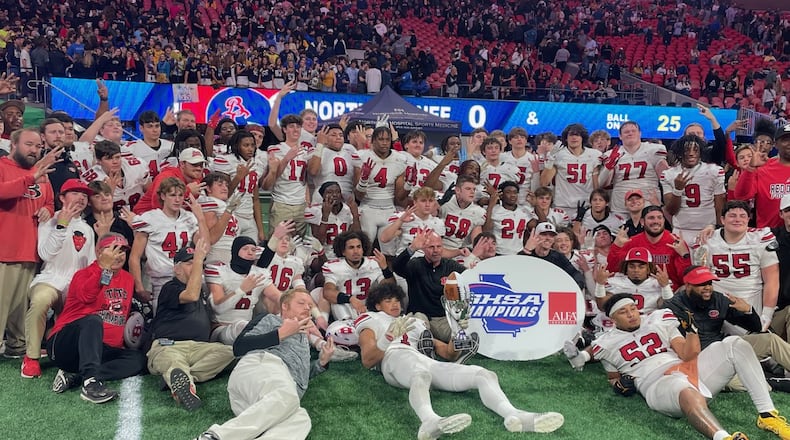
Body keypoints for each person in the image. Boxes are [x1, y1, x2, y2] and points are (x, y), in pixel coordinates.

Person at [564, 293, 790, 440]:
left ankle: (767, 415)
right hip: (656, 383)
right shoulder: (606, 342)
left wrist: (692, 332)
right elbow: (606, 374)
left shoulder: (658, 321)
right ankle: (724, 437)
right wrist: (618, 383)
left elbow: (687, 354)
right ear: (613, 319)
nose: (632, 314)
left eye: (633, 308)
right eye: (624, 312)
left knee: (734, 344)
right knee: (682, 387)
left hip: (686, 368)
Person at [356, 283, 564, 439]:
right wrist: (388, 338)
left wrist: (458, 329)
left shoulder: (415, 323)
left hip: (420, 359)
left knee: (483, 374)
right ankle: (429, 421)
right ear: (376, 305)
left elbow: (448, 353)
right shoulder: (372, 320)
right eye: (388, 301)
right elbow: (367, 360)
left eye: (396, 300)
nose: (395, 304)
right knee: (420, 372)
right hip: (393, 359)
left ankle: (515, 415)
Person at [192, 288, 335, 440]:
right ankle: (216, 437)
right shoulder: (271, 320)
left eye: (310, 305)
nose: (307, 307)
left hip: (269, 403)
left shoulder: (303, 339)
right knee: (287, 395)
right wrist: (281, 333)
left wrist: (321, 362)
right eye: (301, 303)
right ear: (285, 306)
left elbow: (299, 373)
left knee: (301, 419)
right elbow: (239, 347)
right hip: (260, 368)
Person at [46, 233, 147, 403]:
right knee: (93, 320)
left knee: (139, 360)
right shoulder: (82, 275)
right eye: (113, 249)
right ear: (100, 252)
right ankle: (91, 385)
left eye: (122, 250)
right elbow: (88, 296)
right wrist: (104, 269)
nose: (119, 254)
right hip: (65, 345)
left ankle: (78, 375)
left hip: (100, 351)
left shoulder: (127, 279)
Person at [665, 265, 790, 392]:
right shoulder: (674, 306)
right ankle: (774, 382)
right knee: (730, 382)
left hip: (725, 347)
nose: (707, 288)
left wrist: (748, 311)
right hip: (702, 361)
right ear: (688, 286)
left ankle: (759, 367)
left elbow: (757, 328)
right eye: (701, 284)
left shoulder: (719, 299)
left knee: (769, 340)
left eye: (709, 283)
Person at [146, 239, 235, 410]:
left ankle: (181, 378)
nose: (196, 267)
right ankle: (184, 387)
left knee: (230, 351)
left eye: (197, 264)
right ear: (176, 268)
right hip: (169, 346)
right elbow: (191, 295)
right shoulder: (170, 287)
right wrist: (199, 261)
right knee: (173, 361)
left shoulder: (200, 291)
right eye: (189, 263)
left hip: (199, 348)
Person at [22, 179, 95, 379]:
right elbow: (45, 254)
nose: (81, 198)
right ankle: (32, 357)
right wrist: (61, 225)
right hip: (51, 278)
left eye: (84, 195)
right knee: (41, 300)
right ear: (61, 197)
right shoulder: (48, 220)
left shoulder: (88, 229)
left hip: (75, 284)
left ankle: (64, 353)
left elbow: (90, 264)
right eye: (75, 193)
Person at [0, 128, 58, 359]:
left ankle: (17, 345)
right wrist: (30, 178)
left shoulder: (40, 173)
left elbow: (51, 202)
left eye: (37, 146)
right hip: (5, 250)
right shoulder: (3, 166)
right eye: (29, 145)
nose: (34, 150)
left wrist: (47, 209)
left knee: (19, 307)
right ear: (13, 145)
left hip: (31, 251)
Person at [698, 201, 779, 331]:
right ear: (723, 219)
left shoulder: (760, 238)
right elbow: (700, 281)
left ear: (748, 219)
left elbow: (772, 281)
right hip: (717, 305)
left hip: (750, 305)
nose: (738, 219)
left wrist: (766, 315)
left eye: (742, 216)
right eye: (732, 215)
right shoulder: (708, 239)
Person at [129, 178, 208, 311]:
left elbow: (205, 247)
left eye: (180, 195)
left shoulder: (189, 217)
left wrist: (200, 218)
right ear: (162, 196)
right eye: (172, 195)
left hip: (188, 279)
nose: (177, 199)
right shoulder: (149, 219)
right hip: (161, 281)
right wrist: (139, 287)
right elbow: (134, 257)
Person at [205, 236, 283, 345]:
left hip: (248, 328)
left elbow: (279, 297)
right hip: (221, 328)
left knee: (278, 319)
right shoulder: (218, 271)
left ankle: (316, 343)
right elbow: (219, 308)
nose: (250, 252)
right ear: (235, 251)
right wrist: (241, 290)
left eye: (253, 249)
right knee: (242, 326)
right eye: (245, 249)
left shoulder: (259, 273)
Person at [393, 230, 466, 343]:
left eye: (439, 246)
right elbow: (397, 267)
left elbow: (470, 277)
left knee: (461, 337)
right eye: (431, 247)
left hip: (442, 319)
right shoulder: (415, 265)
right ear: (423, 249)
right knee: (418, 326)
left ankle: (433, 344)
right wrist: (412, 248)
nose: (436, 250)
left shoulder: (450, 266)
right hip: (420, 316)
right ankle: (427, 343)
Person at [608, 205, 691, 290]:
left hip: (669, 290)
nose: (656, 221)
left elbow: (685, 279)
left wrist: (685, 255)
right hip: (639, 290)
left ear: (663, 220)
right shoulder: (633, 242)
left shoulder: (676, 243)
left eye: (659, 217)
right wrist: (616, 247)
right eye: (651, 218)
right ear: (642, 222)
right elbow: (612, 270)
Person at [662, 135, 726, 244]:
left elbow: (719, 203)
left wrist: (719, 227)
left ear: (701, 152)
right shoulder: (668, 174)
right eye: (687, 150)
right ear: (680, 152)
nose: (691, 154)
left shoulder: (714, 171)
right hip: (681, 229)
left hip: (708, 228)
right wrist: (678, 190)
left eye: (695, 150)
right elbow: (671, 210)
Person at [597, 121, 669, 216]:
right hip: (620, 204)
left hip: (648, 201)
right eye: (626, 132)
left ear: (640, 133)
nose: (630, 133)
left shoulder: (653, 149)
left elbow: (666, 177)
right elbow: (600, 184)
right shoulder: (612, 154)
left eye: (633, 131)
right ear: (620, 136)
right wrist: (608, 167)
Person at [354, 126, 409, 249]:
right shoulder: (362, 156)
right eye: (381, 139)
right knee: (364, 248)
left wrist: (409, 184)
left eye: (387, 139)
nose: (384, 143)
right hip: (368, 207)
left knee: (390, 251)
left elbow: (400, 197)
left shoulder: (399, 159)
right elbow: (358, 195)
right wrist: (364, 179)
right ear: (373, 140)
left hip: (389, 208)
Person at [210, 130, 267, 242]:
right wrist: (238, 177)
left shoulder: (257, 163)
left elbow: (255, 199)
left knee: (251, 252)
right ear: (236, 146)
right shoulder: (225, 160)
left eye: (252, 145)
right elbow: (222, 195)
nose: (250, 149)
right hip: (232, 214)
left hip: (249, 217)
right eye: (246, 145)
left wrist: (260, 229)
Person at [734, 123, 790, 228]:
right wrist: (750, 168)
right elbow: (741, 196)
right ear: (776, 144)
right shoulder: (763, 168)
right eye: (786, 139)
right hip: (768, 235)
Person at [540, 123, 602, 219]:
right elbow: (544, 182)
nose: (574, 138)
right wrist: (550, 160)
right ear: (565, 138)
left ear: (582, 137)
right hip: (563, 205)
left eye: (577, 135)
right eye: (571, 135)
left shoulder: (594, 155)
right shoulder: (559, 155)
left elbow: (596, 184)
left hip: (586, 206)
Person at [262, 114, 310, 237]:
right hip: (281, 203)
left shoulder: (307, 151)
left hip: (301, 204)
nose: (295, 129)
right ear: (284, 129)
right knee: (278, 242)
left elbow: (308, 180)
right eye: (291, 126)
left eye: (298, 127)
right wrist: (286, 159)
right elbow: (270, 182)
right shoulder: (275, 149)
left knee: (299, 243)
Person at [593, 247, 672, 315]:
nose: (636, 270)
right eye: (632, 266)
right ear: (626, 268)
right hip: (622, 325)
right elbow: (602, 307)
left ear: (648, 269)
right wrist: (600, 285)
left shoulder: (658, 283)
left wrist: (665, 287)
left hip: (650, 323)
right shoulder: (614, 282)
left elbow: (669, 309)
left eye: (641, 267)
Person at [80, 140, 151, 211]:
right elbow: (95, 211)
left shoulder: (137, 166)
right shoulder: (91, 180)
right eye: (109, 158)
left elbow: (150, 192)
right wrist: (109, 191)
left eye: (117, 157)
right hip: (110, 217)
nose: (115, 162)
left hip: (140, 212)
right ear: (99, 161)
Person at [133, 147, 207, 214]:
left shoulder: (197, 180)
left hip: (173, 218)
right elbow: (158, 204)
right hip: (146, 216)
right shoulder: (167, 177)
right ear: (182, 164)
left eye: (201, 164)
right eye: (194, 164)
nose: (199, 168)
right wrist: (188, 191)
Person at [521, 222, 585, 291]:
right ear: (535, 236)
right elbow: (514, 271)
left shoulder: (558, 257)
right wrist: (527, 250)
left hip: (551, 294)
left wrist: (573, 288)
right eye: (544, 234)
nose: (548, 238)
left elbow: (575, 274)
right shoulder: (527, 254)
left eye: (551, 235)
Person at [439, 175, 486, 258]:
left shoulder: (478, 212)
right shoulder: (445, 203)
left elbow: (476, 241)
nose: (472, 192)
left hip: (458, 252)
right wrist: (439, 204)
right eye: (468, 189)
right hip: (436, 248)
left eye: (474, 189)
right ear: (457, 190)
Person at [483, 181, 532, 255]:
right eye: (508, 192)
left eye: (515, 192)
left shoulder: (524, 211)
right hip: (498, 252)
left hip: (518, 253)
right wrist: (491, 205)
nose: (512, 195)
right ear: (501, 195)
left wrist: (536, 205)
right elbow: (485, 231)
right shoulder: (495, 210)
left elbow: (542, 225)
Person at [123, 110, 175, 178]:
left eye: (157, 126)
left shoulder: (171, 146)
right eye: (150, 126)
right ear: (141, 128)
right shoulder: (130, 149)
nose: (154, 130)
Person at [772, 194, 790, 339]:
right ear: (781, 214)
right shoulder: (771, 236)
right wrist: (711, 226)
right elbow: (743, 230)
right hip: (777, 307)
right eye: (788, 210)